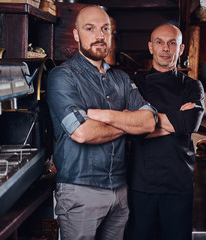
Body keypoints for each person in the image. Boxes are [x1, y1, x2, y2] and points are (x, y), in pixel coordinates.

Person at [46, 5, 157, 240]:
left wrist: (106, 116)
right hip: (80, 191)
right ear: (76, 35)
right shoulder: (62, 76)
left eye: (105, 29)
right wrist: (128, 121)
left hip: (119, 189)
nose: (99, 35)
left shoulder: (122, 79)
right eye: (90, 28)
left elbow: (148, 122)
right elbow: (82, 132)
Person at [126, 24, 205, 240]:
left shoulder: (192, 86)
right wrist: (175, 121)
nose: (165, 48)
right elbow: (132, 131)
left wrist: (146, 122)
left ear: (181, 49)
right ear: (151, 47)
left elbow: (189, 124)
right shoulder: (135, 84)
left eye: (172, 43)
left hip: (179, 181)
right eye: (159, 42)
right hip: (142, 182)